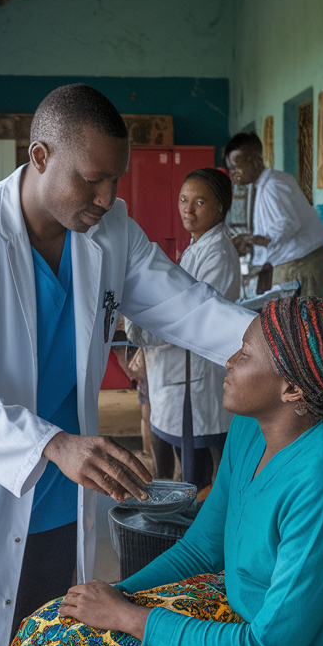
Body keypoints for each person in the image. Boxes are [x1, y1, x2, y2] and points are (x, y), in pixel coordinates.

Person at [0, 84, 257, 646]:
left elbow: (187, 307)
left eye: (115, 180)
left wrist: (268, 343)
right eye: (92, 180)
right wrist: (51, 443)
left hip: (57, 508)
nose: (107, 198)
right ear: (41, 156)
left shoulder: (111, 234)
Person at [0, 296, 323, 646]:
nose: (228, 361)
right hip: (252, 643)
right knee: (43, 634)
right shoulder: (251, 430)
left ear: (292, 389)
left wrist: (128, 617)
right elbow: (201, 548)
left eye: (245, 355)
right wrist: (118, 593)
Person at [126, 168, 242, 487]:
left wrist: (137, 323)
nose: (188, 210)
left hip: (196, 379)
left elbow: (192, 318)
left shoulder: (217, 253)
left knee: (196, 470)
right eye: (183, 200)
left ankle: (194, 530)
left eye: (200, 202)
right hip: (178, 375)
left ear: (220, 207)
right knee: (182, 460)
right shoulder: (198, 245)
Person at [224, 132, 323, 298]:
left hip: (301, 264)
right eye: (230, 169)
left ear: (253, 160)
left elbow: (288, 224)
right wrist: (252, 241)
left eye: (235, 167)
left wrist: (253, 239)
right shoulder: (265, 184)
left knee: (305, 321)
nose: (233, 173)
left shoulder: (272, 186)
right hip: (295, 263)